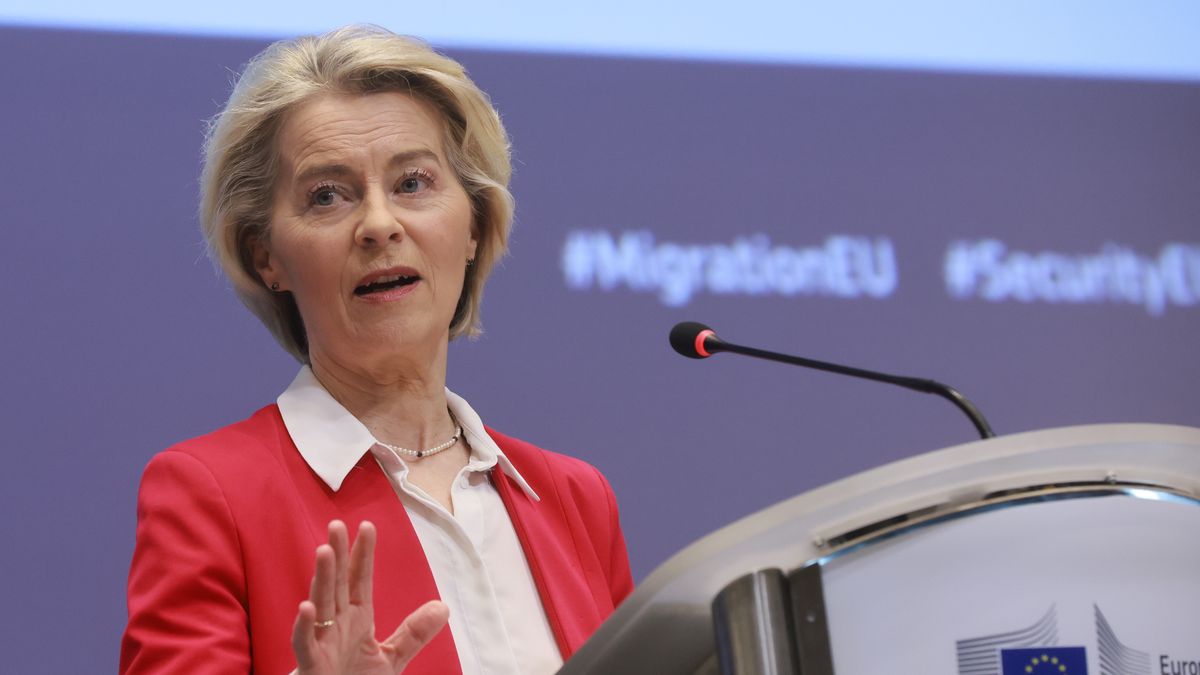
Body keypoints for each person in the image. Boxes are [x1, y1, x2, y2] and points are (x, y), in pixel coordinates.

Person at [120, 25, 633, 675]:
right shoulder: (209, 494)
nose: (380, 224)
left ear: (474, 223)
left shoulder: (573, 498)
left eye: (413, 182)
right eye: (326, 195)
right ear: (265, 254)